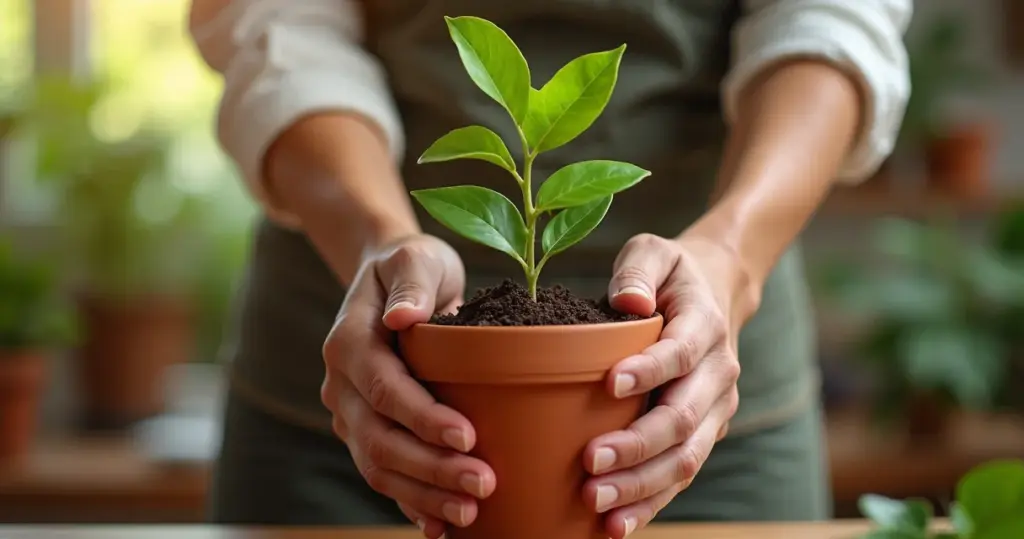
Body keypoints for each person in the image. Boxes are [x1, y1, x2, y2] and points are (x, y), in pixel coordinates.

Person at [189, 1, 911, 537]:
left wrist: (730, 255)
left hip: (698, 400)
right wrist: (379, 240)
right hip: (355, 397)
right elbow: (282, 24)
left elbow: (831, 18)